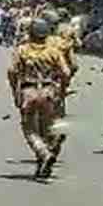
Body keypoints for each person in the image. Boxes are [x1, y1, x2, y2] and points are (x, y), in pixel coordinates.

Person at [7, 18, 70, 179]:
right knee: (46, 126)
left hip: (29, 91)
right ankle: (51, 145)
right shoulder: (53, 51)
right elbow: (66, 72)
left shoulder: (22, 50)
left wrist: (15, 91)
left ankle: (43, 152)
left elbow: (12, 71)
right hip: (49, 91)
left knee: (29, 128)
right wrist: (61, 90)